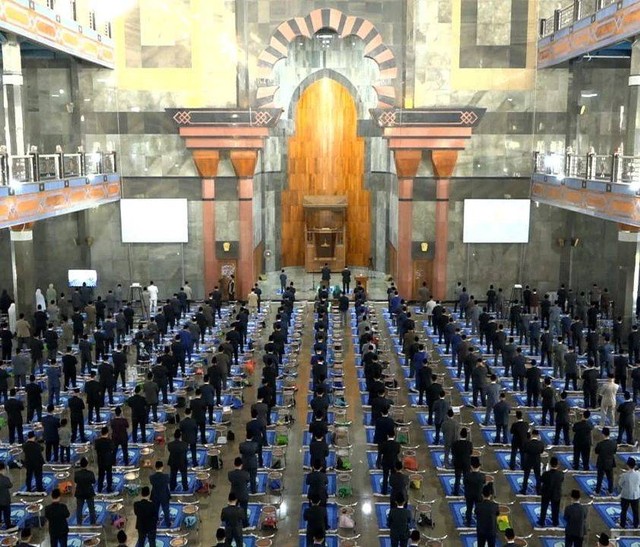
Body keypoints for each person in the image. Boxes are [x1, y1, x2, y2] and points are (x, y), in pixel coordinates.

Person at [539, 456, 563, 527]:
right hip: (556, 493)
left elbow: (541, 480)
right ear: (557, 465)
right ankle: (555, 522)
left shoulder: (546, 474)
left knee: (544, 508)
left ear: (550, 464)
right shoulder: (561, 474)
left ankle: (542, 522)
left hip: (546, 493)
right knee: (555, 509)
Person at [74, 457, 97, 525]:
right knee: (91, 509)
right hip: (89, 492)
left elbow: (75, 481)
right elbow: (93, 481)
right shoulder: (90, 473)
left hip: (80, 492)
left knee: (79, 509)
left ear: (80, 465)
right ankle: (93, 523)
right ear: (87, 464)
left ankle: (79, 523)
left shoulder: (77, 474)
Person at [521, 429, 544, 495]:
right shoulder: (541, 444)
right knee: (537, 476)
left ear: (532, 434)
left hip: (528, 460)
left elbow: (524, 450)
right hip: (537, 461)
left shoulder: (527, 443)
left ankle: (524, 490)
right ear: (538, 435)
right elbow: (541, 451)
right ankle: (538, 491)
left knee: (526, 476)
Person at [619, 457, 640, 529]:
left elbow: (620, 484)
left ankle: (622, 524)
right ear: (634, 466)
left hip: (626, 495)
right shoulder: (638, 474)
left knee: (624, 510)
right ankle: (636, 525)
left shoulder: (625, 475)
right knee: (635, 511)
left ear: (627, 465)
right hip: (635, 495)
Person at [150, 460, 171, 528]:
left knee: (155, 510)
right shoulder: (166, 476)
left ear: (155, 467)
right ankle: (168, 524)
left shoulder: (151, 477)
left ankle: (155, 523)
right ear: (162, 467)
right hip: (164, 495)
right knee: (166, 511)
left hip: (155, 496)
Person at [464, 457, 485, 527]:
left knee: (469, 509)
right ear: (479, 466)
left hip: (469, 495)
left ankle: (468, 522)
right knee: (479, 509)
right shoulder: (482, 476)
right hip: (478, 495)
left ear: (471, 466)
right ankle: (480, 522)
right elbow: (484, 482)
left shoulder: (467, 475)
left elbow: (465, 483)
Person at [452, 428, 473, 496]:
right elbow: (470, 452)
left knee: (457, 478)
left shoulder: (455, 443)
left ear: (460, 434)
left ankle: (456, 492)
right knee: (466, 478)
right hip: (466, 462)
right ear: (466, 435)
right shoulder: (469, 444)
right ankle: (467, 492)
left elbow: (453, 452)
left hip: (457, 462)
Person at [94, 426, 114, 493]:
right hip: (108, 461)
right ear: (107, 433)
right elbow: (112, 449)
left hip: (100, 461)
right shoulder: (110, 441)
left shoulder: (97, 441)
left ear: (101, 433)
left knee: (101, 476)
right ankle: (109, 489)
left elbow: (96, 449)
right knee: (109, 476)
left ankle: (99, 489)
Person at [0, 463, 12, 529]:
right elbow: (10, 485)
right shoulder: (5, 479)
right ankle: (8, 525)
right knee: (6, 514)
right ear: (2, 469)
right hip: (5, 500)